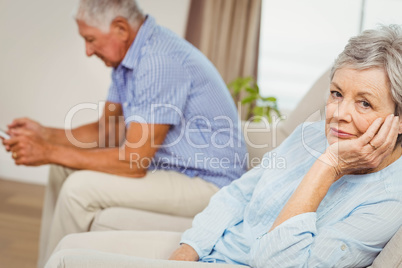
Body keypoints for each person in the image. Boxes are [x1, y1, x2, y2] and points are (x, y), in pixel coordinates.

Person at [44, 24, 402, 268]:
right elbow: (240, 192)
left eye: (365, 103)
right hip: (210, 249)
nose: (338, 114)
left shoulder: (390, 198)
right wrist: (191, 247)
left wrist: (327, 168)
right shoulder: (310, 135)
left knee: (66, 263)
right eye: (337, 94)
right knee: (67, 247)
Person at [0, 0, 248, 267]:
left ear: (120, 28)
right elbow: (106, 129)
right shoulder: (129, 59)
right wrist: (44, 134)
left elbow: (134, 162)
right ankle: (49, 261)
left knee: (77, 189)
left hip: (210, 183)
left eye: (91, 39)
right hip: (173, 168)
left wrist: (47, 151)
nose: (87, 50)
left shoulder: (159, 60)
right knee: (60, 168)